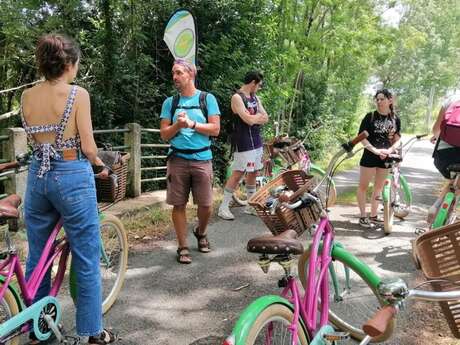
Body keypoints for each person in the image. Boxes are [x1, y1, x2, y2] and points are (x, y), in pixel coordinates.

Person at [21, 34, 116, 344]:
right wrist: (101, 166)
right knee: (86, 256)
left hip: (37, 177)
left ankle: (38, 329)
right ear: (68, 63)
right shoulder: (77, 95)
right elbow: (88, 148)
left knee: (39, 255)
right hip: (71, 175)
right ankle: (93, 333)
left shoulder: (26, 97)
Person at [159, 59, 221, 264]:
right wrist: (178, 124)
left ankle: (200, 232)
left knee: (206, 205)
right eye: (173, 73)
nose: (174, 77)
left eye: (178, 73)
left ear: (191, 74)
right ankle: (182, 246)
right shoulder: (170, 103)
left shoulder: (207, 99)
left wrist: (192, 124)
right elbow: (164, 135)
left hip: (202, 159)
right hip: (177, 159)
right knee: (178, 204)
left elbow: (215, 129)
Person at [217, 71, 268, 220]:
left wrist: (255, 118)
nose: (259, 88)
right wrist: (255, 118)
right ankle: (224, 207)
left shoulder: (255, 98)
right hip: (243, 140)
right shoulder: (237, 98)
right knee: (239, 172)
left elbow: (265, 117)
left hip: (256, 140)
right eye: (258, 85)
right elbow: (249, 120)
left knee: (254, 171)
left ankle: (250, 205)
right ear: (253, 83)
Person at [357, 89, 401, 228]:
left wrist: (390, 150)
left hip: (386, 157)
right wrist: (375, 150)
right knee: (363, 186)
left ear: (390, 100)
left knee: (378, 187)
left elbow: (398, 139)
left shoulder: (395, 119)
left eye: (382, 99)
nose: (379, 101)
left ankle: (374, 215)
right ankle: (363, 216)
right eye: (377, 99)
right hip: (370, 156)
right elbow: (362, 138)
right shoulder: (369, 117)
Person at [427, 94, 460, 224]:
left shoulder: (452, 99)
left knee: (452, 181)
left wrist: (437, 137)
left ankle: (435, 207)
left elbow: (436, 130)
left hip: (444, 156)